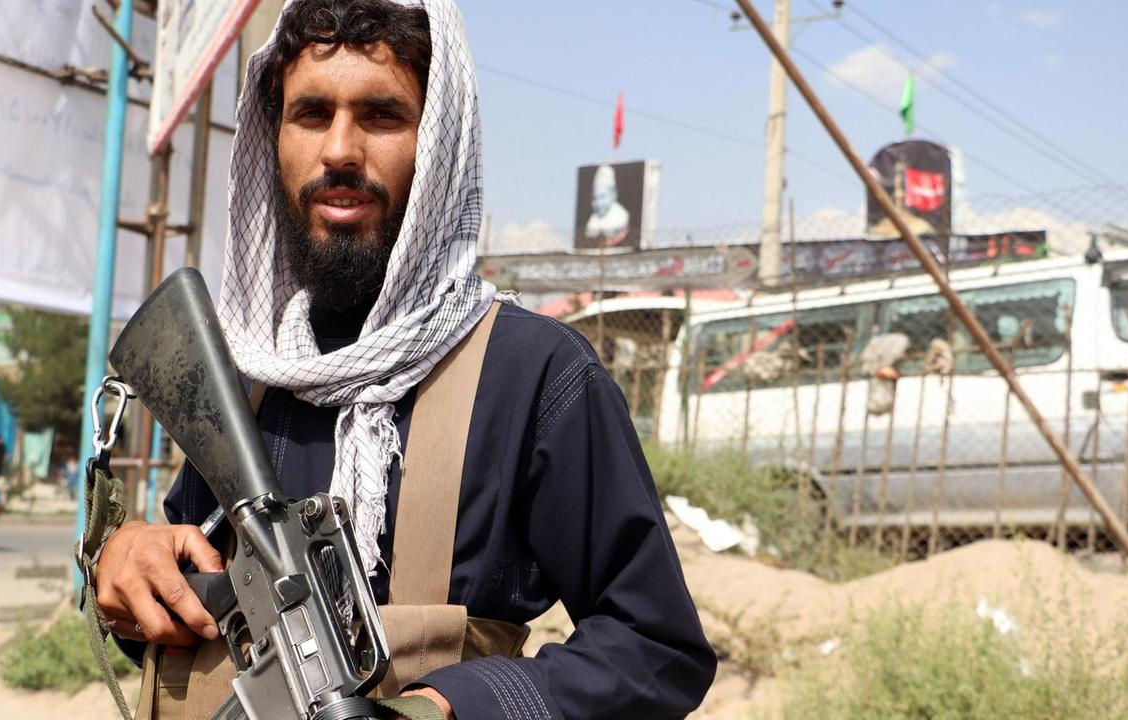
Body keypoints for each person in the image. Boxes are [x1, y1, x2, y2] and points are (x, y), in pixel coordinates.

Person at [94, 1, 715, 718]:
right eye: (311, 113)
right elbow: (180, 607)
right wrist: (132, 561)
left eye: (382, 115)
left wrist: (459, 705)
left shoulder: (536, 376)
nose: (340, 151)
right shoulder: (248, 380)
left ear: (438, 142)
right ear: (274, 138)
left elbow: (657, 648)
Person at [584, 164, 631, 247]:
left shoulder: (621, 216)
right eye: (595, 198)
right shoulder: (592, 221)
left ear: (613, 194)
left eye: (602, 197)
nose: (598, 203)